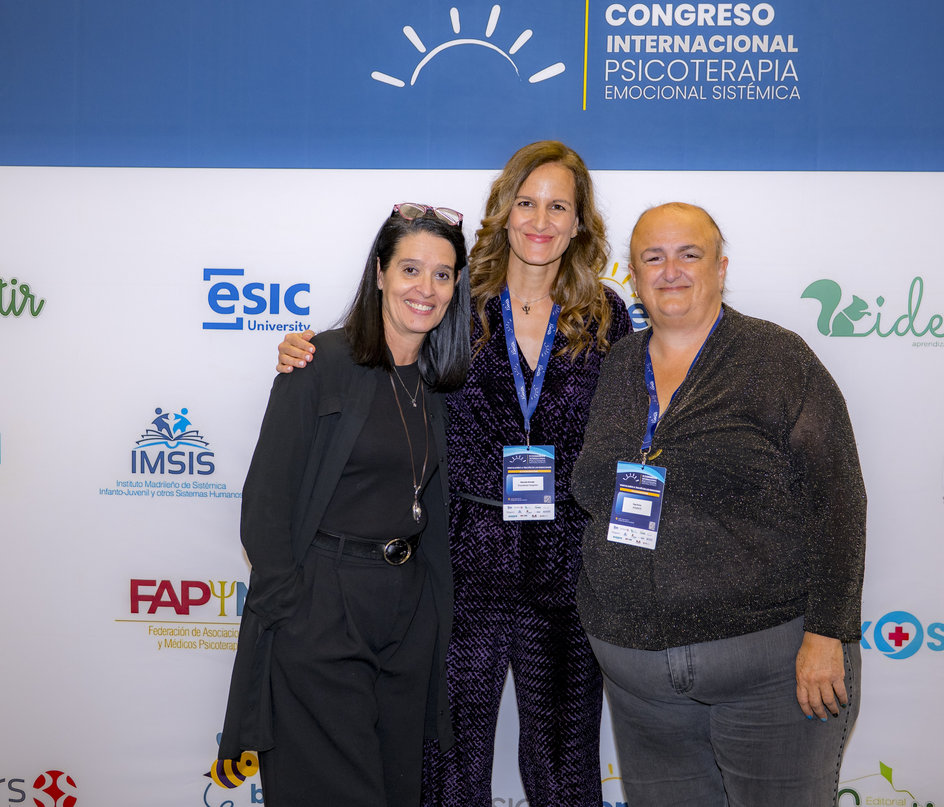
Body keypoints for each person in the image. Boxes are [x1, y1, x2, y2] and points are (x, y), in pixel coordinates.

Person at [276, 142, 632, 805]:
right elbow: (380, 353)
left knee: (565, 768)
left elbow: (631, 421)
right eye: (526, 202)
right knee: (450, 764)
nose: (541, 220)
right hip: (463, 560)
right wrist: (311, 349)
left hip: (565, 566)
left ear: (580, 222)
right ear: (503, 211)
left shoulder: (606, 314)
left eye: (558, 207)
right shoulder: (456, 301)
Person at [572, 202, 866, 806]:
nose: (670, 271)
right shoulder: (617, 364)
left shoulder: (778, 359)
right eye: (653, 257)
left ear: (721, 267)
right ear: (634, 275)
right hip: (639, 682)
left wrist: (828, 633)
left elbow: (838, 502)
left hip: (770, 671)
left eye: (689, 254)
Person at [218, 203, 472, 806]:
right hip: (324, 609)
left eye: (442, 274)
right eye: (410, 269)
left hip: (407, 614)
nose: (426, 288)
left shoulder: (439, 380)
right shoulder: (320, 363)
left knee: (393, 792)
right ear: (380, 273)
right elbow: (267, 501)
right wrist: (292, 610)